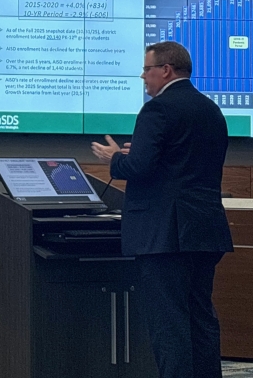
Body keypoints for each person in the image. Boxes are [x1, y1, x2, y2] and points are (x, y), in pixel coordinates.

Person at [91, 41, 233, 378]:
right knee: (201, 318)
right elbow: (182, 161)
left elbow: (138, 168)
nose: (142, 76)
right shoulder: (210, 109)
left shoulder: (157, 109)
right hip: (205, 229)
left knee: (168, 323)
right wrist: (137, 153)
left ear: (165, 70)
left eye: (146, 69)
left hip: (165, 235)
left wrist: (116, 159)